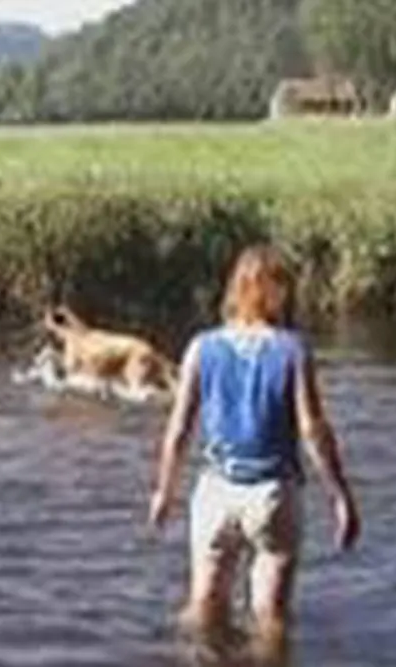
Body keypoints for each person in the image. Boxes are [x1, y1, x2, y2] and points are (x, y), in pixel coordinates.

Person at [148, 244, 361, 663]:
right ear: (277, 293)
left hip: (215, 493)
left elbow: (178, 431)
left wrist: (164, 491)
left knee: (202, 608)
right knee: (271, 617)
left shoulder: (201, 347)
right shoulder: (291, 350)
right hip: (273, 495)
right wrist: (340, 496)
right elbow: (312, 430)